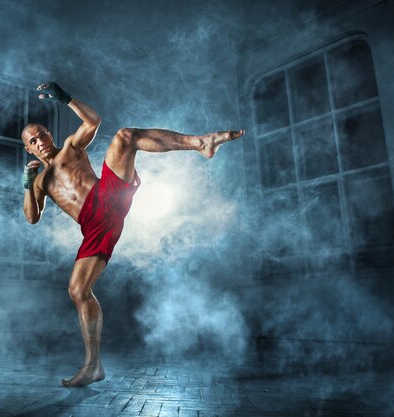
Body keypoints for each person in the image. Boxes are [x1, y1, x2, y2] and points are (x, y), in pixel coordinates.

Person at [21, 82, 244, 387]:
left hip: (107, 196)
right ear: (29, 148)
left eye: (43, 134)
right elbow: (32, 217)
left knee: (125, 136)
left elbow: (93, 122)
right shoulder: (40, 181)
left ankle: (200, 143)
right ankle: (93, 366)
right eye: (34, 140)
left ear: (50, 134)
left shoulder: (72, 147)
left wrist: (67, 99)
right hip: (95, 226)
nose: (41, 141)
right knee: (77, 291)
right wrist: (26, 182)